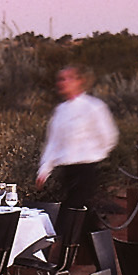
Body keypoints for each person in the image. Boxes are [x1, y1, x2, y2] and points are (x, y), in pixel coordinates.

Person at [37, 64, 119, 217]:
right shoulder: (60, 110)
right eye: (60, 80)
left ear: (78, 81)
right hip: (67, 171)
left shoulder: (93, 107)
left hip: (86, 170)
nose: (62, 83)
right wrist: (44, 170)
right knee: (81, 217)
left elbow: (108, 136)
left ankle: (86, 240)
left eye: (66, 79)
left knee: (74, 214)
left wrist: (94, 154)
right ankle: (95, 240)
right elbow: (53, 143)